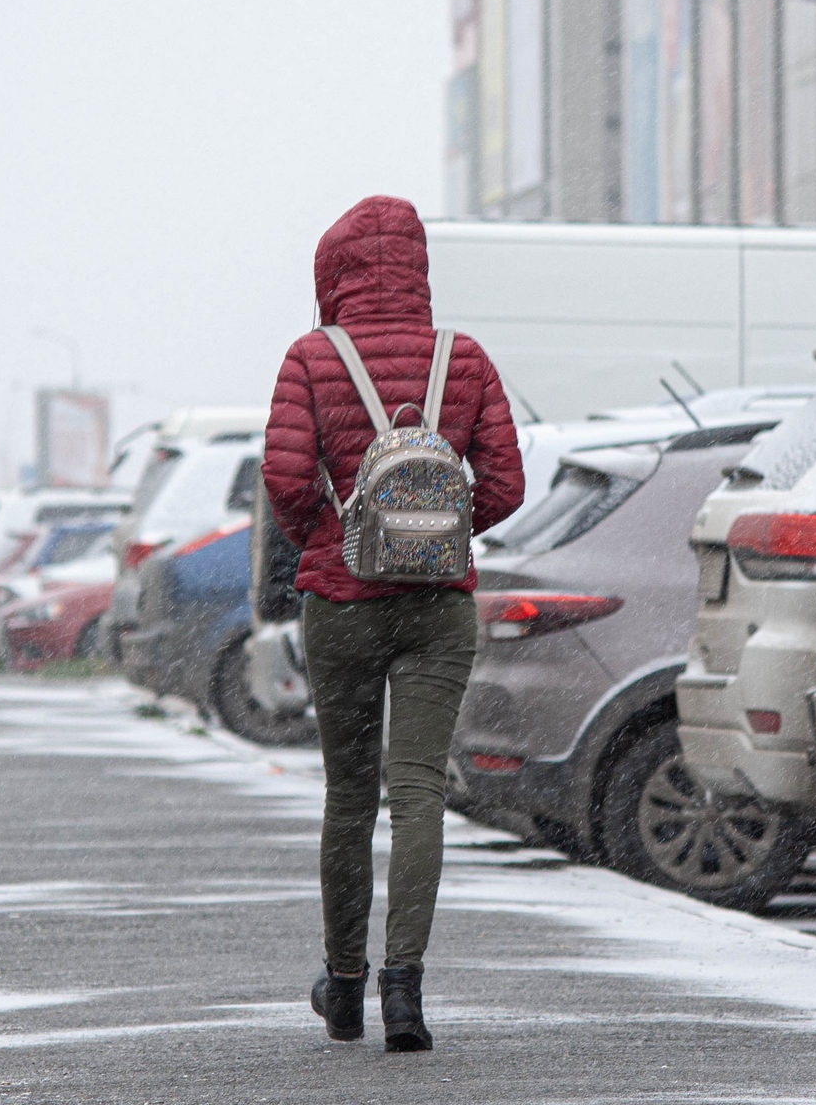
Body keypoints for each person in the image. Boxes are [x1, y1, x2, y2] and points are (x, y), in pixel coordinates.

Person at [262, 195, 524, 1052]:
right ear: (418, 272)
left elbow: (286, 478)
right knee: (420, 794)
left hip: (340, 606)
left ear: (334, 274)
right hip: (438, 609)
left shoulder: (312, 356)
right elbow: (507, 485)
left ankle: (342, 988)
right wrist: (435, 539)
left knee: (349, 799)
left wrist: (337, 541)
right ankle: (404, 994)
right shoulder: (465, 357)